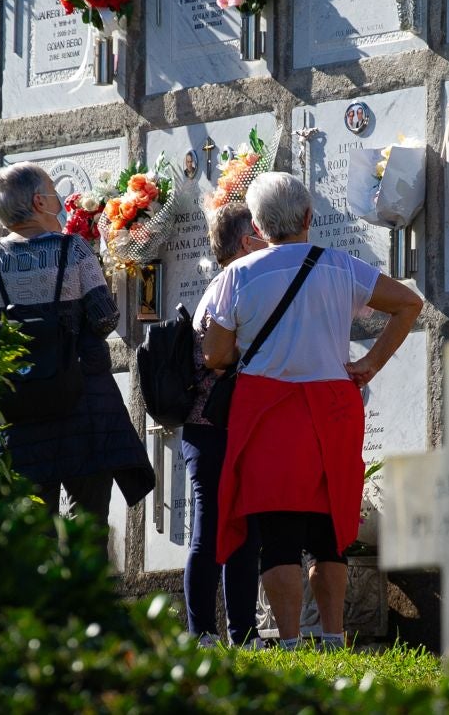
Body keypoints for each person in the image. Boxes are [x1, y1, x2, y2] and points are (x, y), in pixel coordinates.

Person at [203, 173, 423, 650]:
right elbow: (409, 304)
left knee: (278, 531)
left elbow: (215, 354)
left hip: (267, 409)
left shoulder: (237, 276)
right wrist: (369, 363)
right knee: (328, 530)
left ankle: (287, 641)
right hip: (330, 406)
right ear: (308, 217)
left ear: (257, 227)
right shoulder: (341, 266)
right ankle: (333, 635)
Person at [0, 163, 153, 537]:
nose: (59, 198)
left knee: (32, 536)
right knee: (86, 530)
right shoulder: (74, 250)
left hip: (19, 414)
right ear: (39, 202)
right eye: (53, 190)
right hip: (81, 406)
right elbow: (104, 319)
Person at [183, 202, 265, 648]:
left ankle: (243, 633)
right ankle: (202, 633)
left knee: (244, 531)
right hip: (210, 426)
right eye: (261, 233)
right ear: (245, 241)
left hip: (230, 426)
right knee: (212, 527)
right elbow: (216, 357)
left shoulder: (239, 281)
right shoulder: (229, 284)